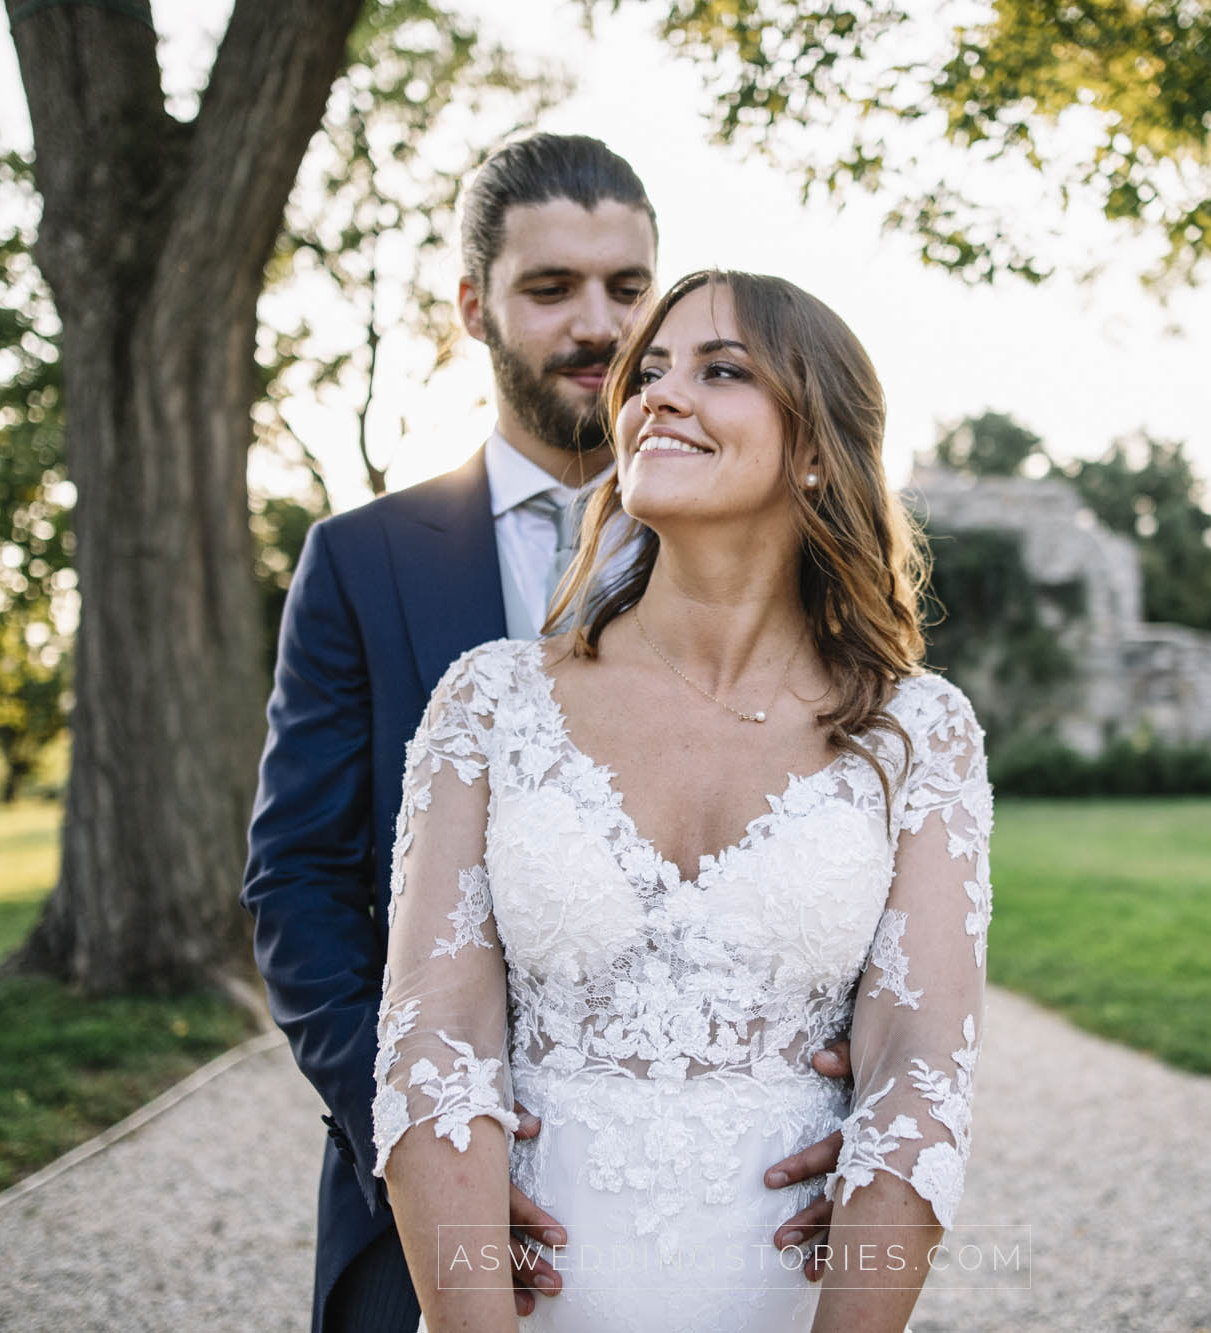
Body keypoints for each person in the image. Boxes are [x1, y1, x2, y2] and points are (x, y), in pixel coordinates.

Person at [242, 137, 853, 1333]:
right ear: (473, 308)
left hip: (743, 1211)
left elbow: (857, 838)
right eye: (549, 288)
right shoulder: (361, 560)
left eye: (627, 287)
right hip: (418, 1194)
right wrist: (422, 1131)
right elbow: (298, 878)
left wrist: (852, 1085)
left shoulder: (759, 542)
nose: (598, 326)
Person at [370, 269, 994, 1331]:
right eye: (649, 372)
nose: (658, 393)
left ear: (814, 448)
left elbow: (918, 1076)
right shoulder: (490, 702)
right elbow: (433, 1044)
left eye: (721, 370)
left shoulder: (917, 731)